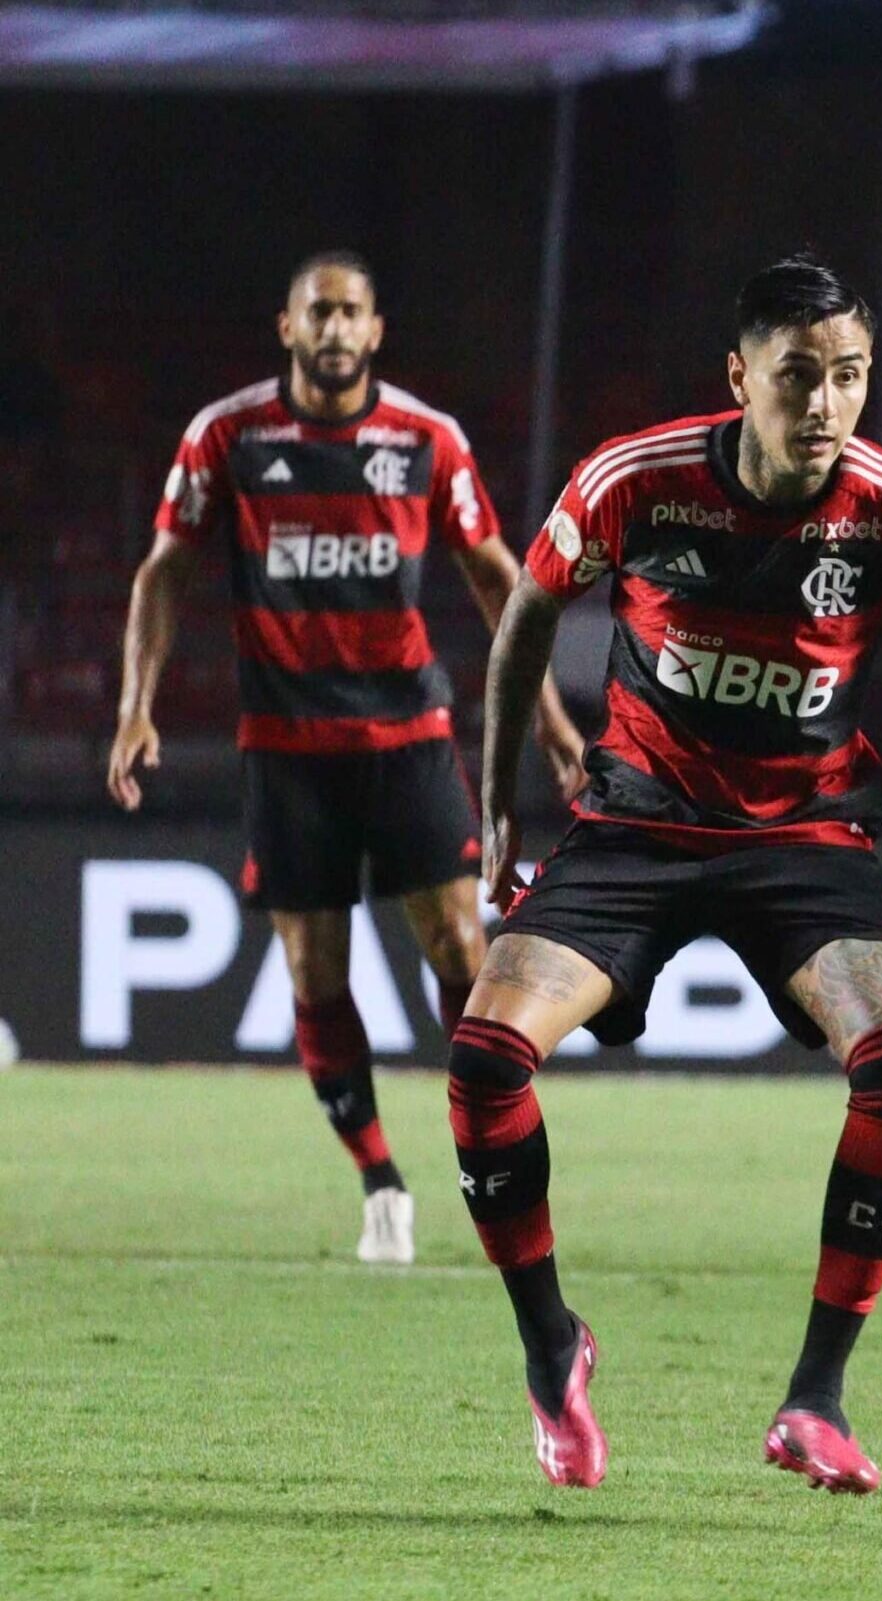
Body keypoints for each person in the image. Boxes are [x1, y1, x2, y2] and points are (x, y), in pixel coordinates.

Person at [453, 253, 882, 1492]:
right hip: (635, 825)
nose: (827, 404)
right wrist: (500, 796)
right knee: (483, 1056)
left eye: (848, 377)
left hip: (806, 840)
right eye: (799, 377)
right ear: (741, 378)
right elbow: (524, 616)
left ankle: (817, 1399)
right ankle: (550, 1346)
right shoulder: (638, 479)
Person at [110, 250, 583, 1266]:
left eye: (349, 313)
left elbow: (501, 580)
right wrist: (134, 706)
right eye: (315, 312)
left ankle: (484, 1144)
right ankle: (379, 1178)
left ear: (375, 332)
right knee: (314, 970)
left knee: (462, 947)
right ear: (286, 326)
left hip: (408, 733)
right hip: (287, 751)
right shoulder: (226, 437)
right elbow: (164, 571)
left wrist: (546, 717)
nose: (332, 328)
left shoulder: (425, 440)